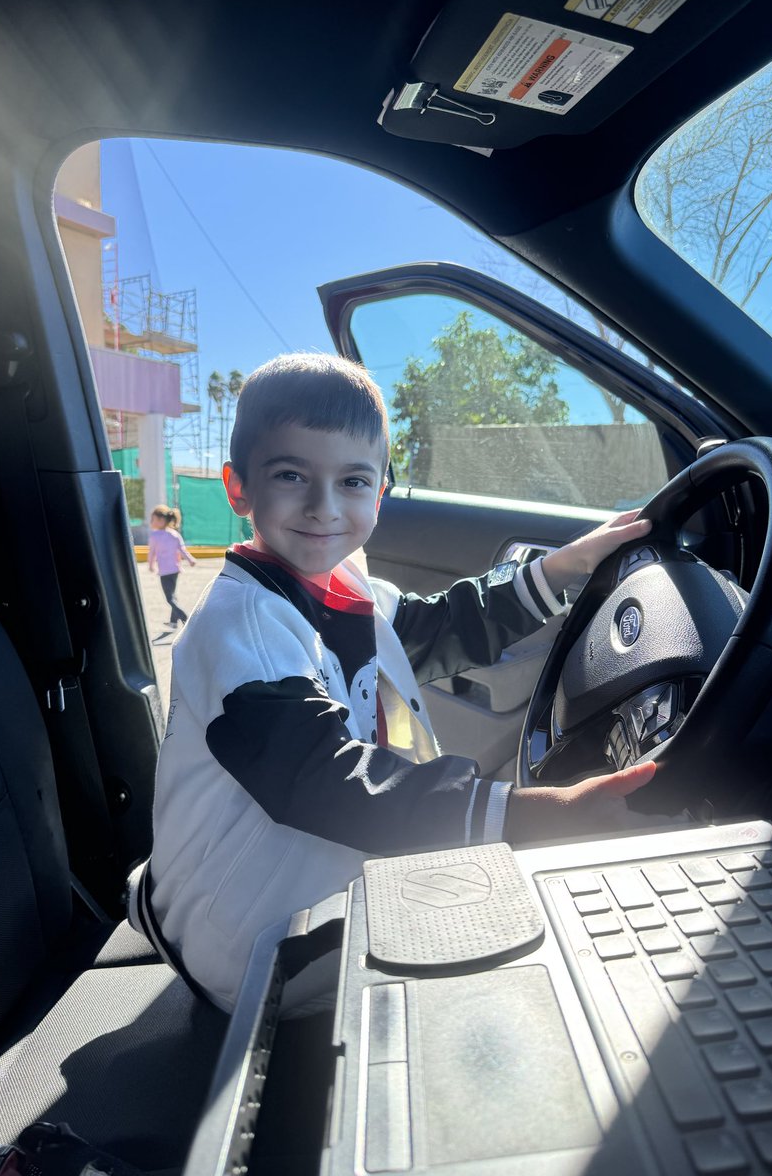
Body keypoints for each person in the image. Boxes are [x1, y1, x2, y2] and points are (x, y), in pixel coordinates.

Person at [136, 353, 656, 1013]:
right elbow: (319, 779)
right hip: (255, 944)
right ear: (238, 488)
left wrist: (561, 569)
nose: (324, 508)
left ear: (379, 492)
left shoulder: (347, 586)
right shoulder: (243, 627)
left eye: (353, 481)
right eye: (292, 475)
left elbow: (439, 628)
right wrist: (533, 815)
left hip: (285, 891)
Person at [147, 503, 196, 631]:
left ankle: (186, 618)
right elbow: (182, 550)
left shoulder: (155, 535)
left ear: (161, 520)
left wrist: (151, 565)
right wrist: (190, 560)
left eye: (153, 519)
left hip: (164, 572)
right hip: (175, 570)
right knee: (173, 596)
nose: (151, 522)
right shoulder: (174, 534)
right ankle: (173, 622)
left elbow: (151, 552)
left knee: (169, 599)